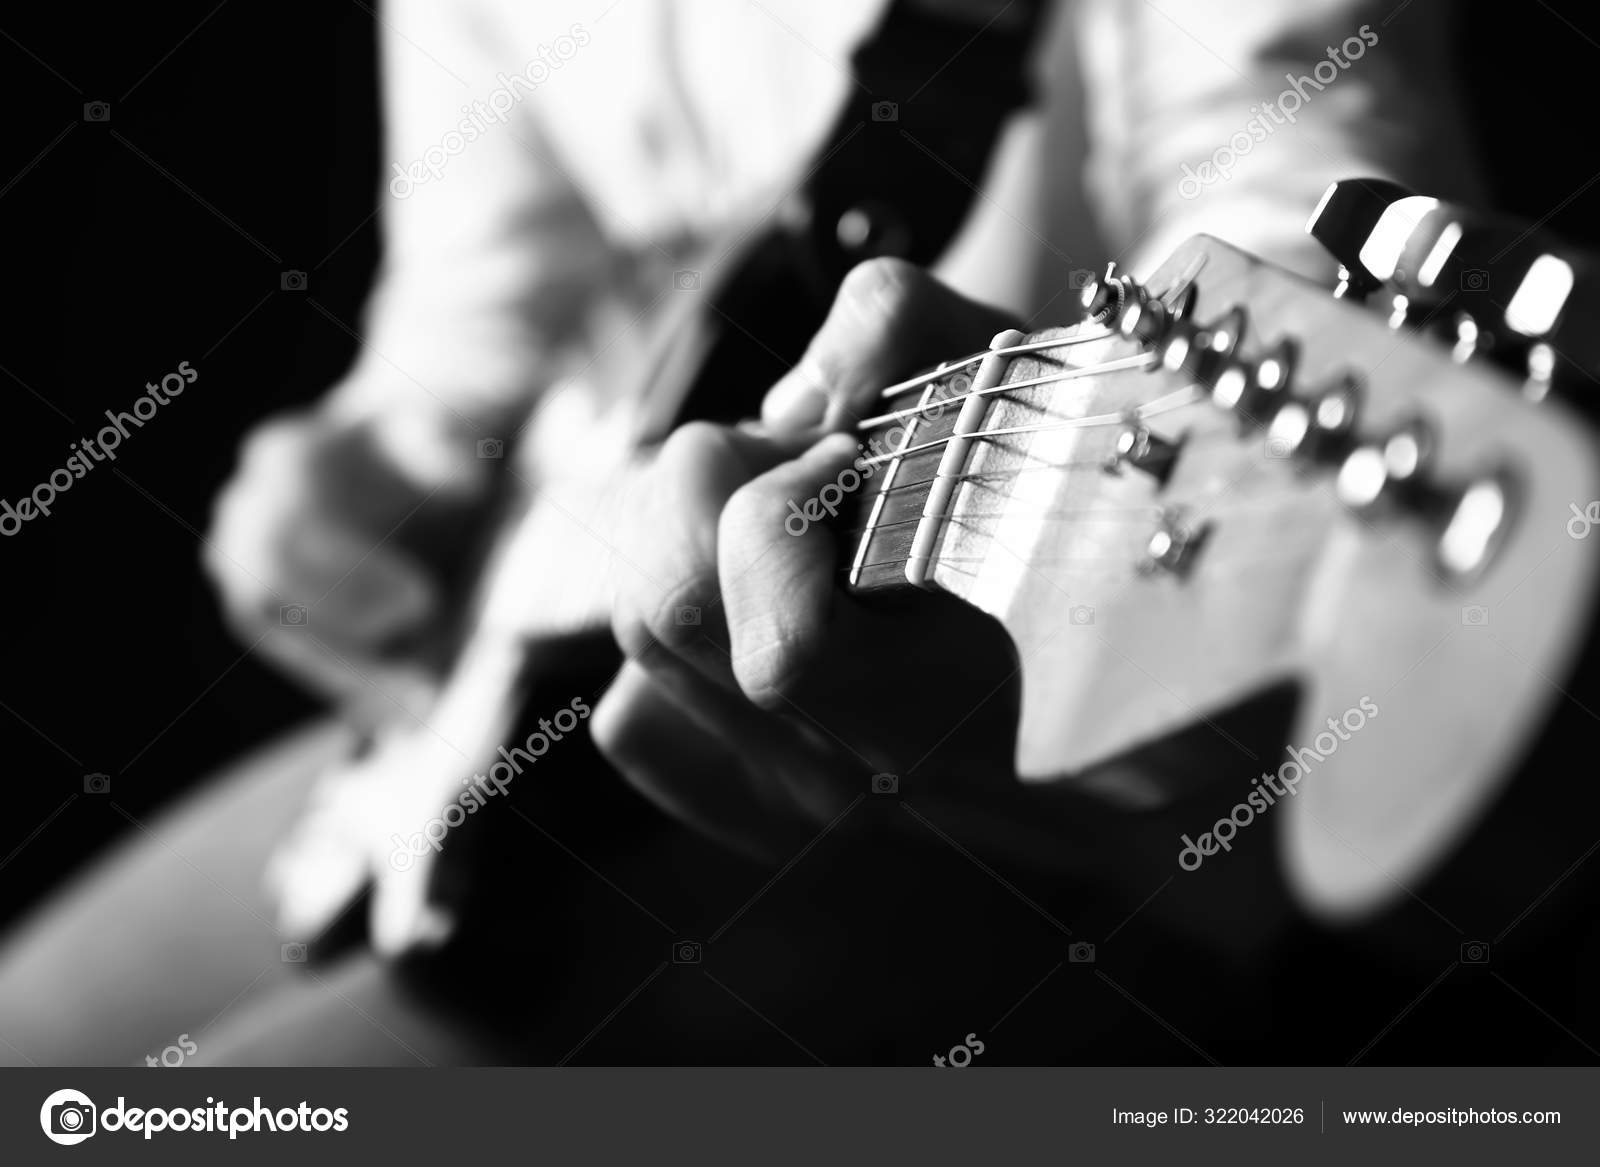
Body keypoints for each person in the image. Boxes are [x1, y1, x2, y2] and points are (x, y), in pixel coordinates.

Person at [0, 0, 1481, 1065]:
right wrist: (360, 475)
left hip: (1006, 750)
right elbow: (469, 341)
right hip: (493, 697)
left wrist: (1147, 428)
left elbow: (1296, 207)